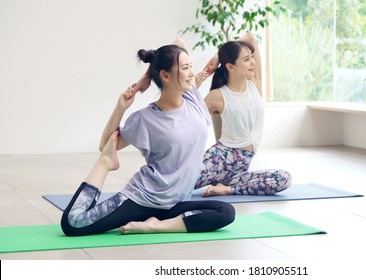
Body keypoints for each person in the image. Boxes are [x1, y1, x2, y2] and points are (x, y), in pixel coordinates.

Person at [60, 39, 235, 236]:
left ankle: (155, 226)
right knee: (72, 224)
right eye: (186, 68)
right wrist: (122, 106)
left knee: (226, 212)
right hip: (143, 199)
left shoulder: (192, 98)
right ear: (165, 76)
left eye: (190, 67)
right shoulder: (145, 118)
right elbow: (106, 144)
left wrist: (149, 75)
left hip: (174, 205)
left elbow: (179, 43)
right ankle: (104, 165)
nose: (192, 73)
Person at [194, 33, 292, 197]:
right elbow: (189, 120)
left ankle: (226, 189)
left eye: (251, 57)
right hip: (219, 159)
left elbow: (250, 38)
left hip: (239, 170)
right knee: (177, 187)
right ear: (231, 67)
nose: (252, 62)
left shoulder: (255, 83)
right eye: (246, 59)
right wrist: (194, 87)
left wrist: (218, 55)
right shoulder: (217, 95)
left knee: (283, 179)